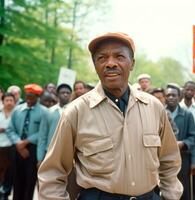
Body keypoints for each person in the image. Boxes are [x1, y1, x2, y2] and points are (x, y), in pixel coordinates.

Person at [38, 32, 183, 200]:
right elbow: (52, 173)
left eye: (119, 56)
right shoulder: (76, 112)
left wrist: (170, 196)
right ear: (95, 65)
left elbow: (170, 161)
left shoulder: (154, 107)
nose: (110, 64)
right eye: (102, 58)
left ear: (132, 64)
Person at [6, 84, 48, 200]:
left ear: (37, 97)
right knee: (17, 181)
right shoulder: (17, 110)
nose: (29, 100)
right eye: (27, 96)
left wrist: (27, 141)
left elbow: (43, 132)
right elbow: (10, 129)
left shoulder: (44, 112)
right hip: (17, 149)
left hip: (33, 151)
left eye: (32, 97)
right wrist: (19, 143)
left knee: (29, 182)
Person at [165, 86, 195, 200]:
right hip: (164, 160)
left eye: (174, 95)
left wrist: (183, 143)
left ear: (179, 97)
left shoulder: (187, 114)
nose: (171, 98)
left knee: (184, 190)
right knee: (166, 190)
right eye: (168, 95)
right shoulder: (160, 113)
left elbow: (193, 138)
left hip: (183, 158)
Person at [180, 81, 195, 200]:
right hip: (181, 149)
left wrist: (193, 142)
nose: (189, 92)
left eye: (192, 90)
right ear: (183, 90)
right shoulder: (178, 107)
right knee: (182, 181)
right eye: (187, 89)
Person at [0, 93, 16, 200]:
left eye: (11, 100)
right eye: (7, 100)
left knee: (9, 171)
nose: (9, 102)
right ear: (3, 101)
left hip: (11, 147)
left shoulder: (17, 114)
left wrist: (6, 130)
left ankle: (5, 193)